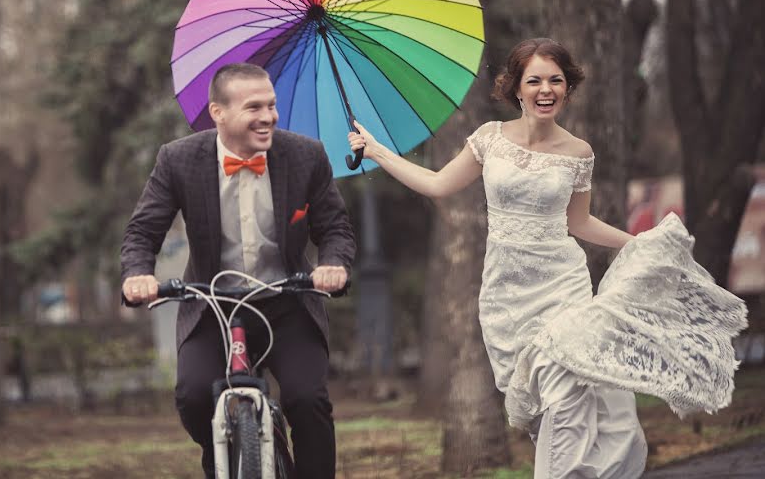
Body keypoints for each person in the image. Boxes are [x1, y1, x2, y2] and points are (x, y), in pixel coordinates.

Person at [348, 38, 747, 479]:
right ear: (516, 88)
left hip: (564, 288)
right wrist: (377, 151)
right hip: (507, 297)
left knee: (565, 397)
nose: (545, 89)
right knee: (550, 413)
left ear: (567, 88)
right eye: (534, 80)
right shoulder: (489, 140)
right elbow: (439, 184)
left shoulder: (578, 153)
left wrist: (636, 242)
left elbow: (580, 223)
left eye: (555, 80)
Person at [122, 62, 355, 479]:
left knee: (307, 400)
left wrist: (332, 264)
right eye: (253, 107)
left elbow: (335, 227)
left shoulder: (305, 155)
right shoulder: (179, 160)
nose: (268, 116)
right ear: (218, 113)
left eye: (271, 105)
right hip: (211, 305)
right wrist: (138, 274)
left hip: (288, 302)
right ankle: (225, 458)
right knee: (194, 398)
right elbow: (143, 231)